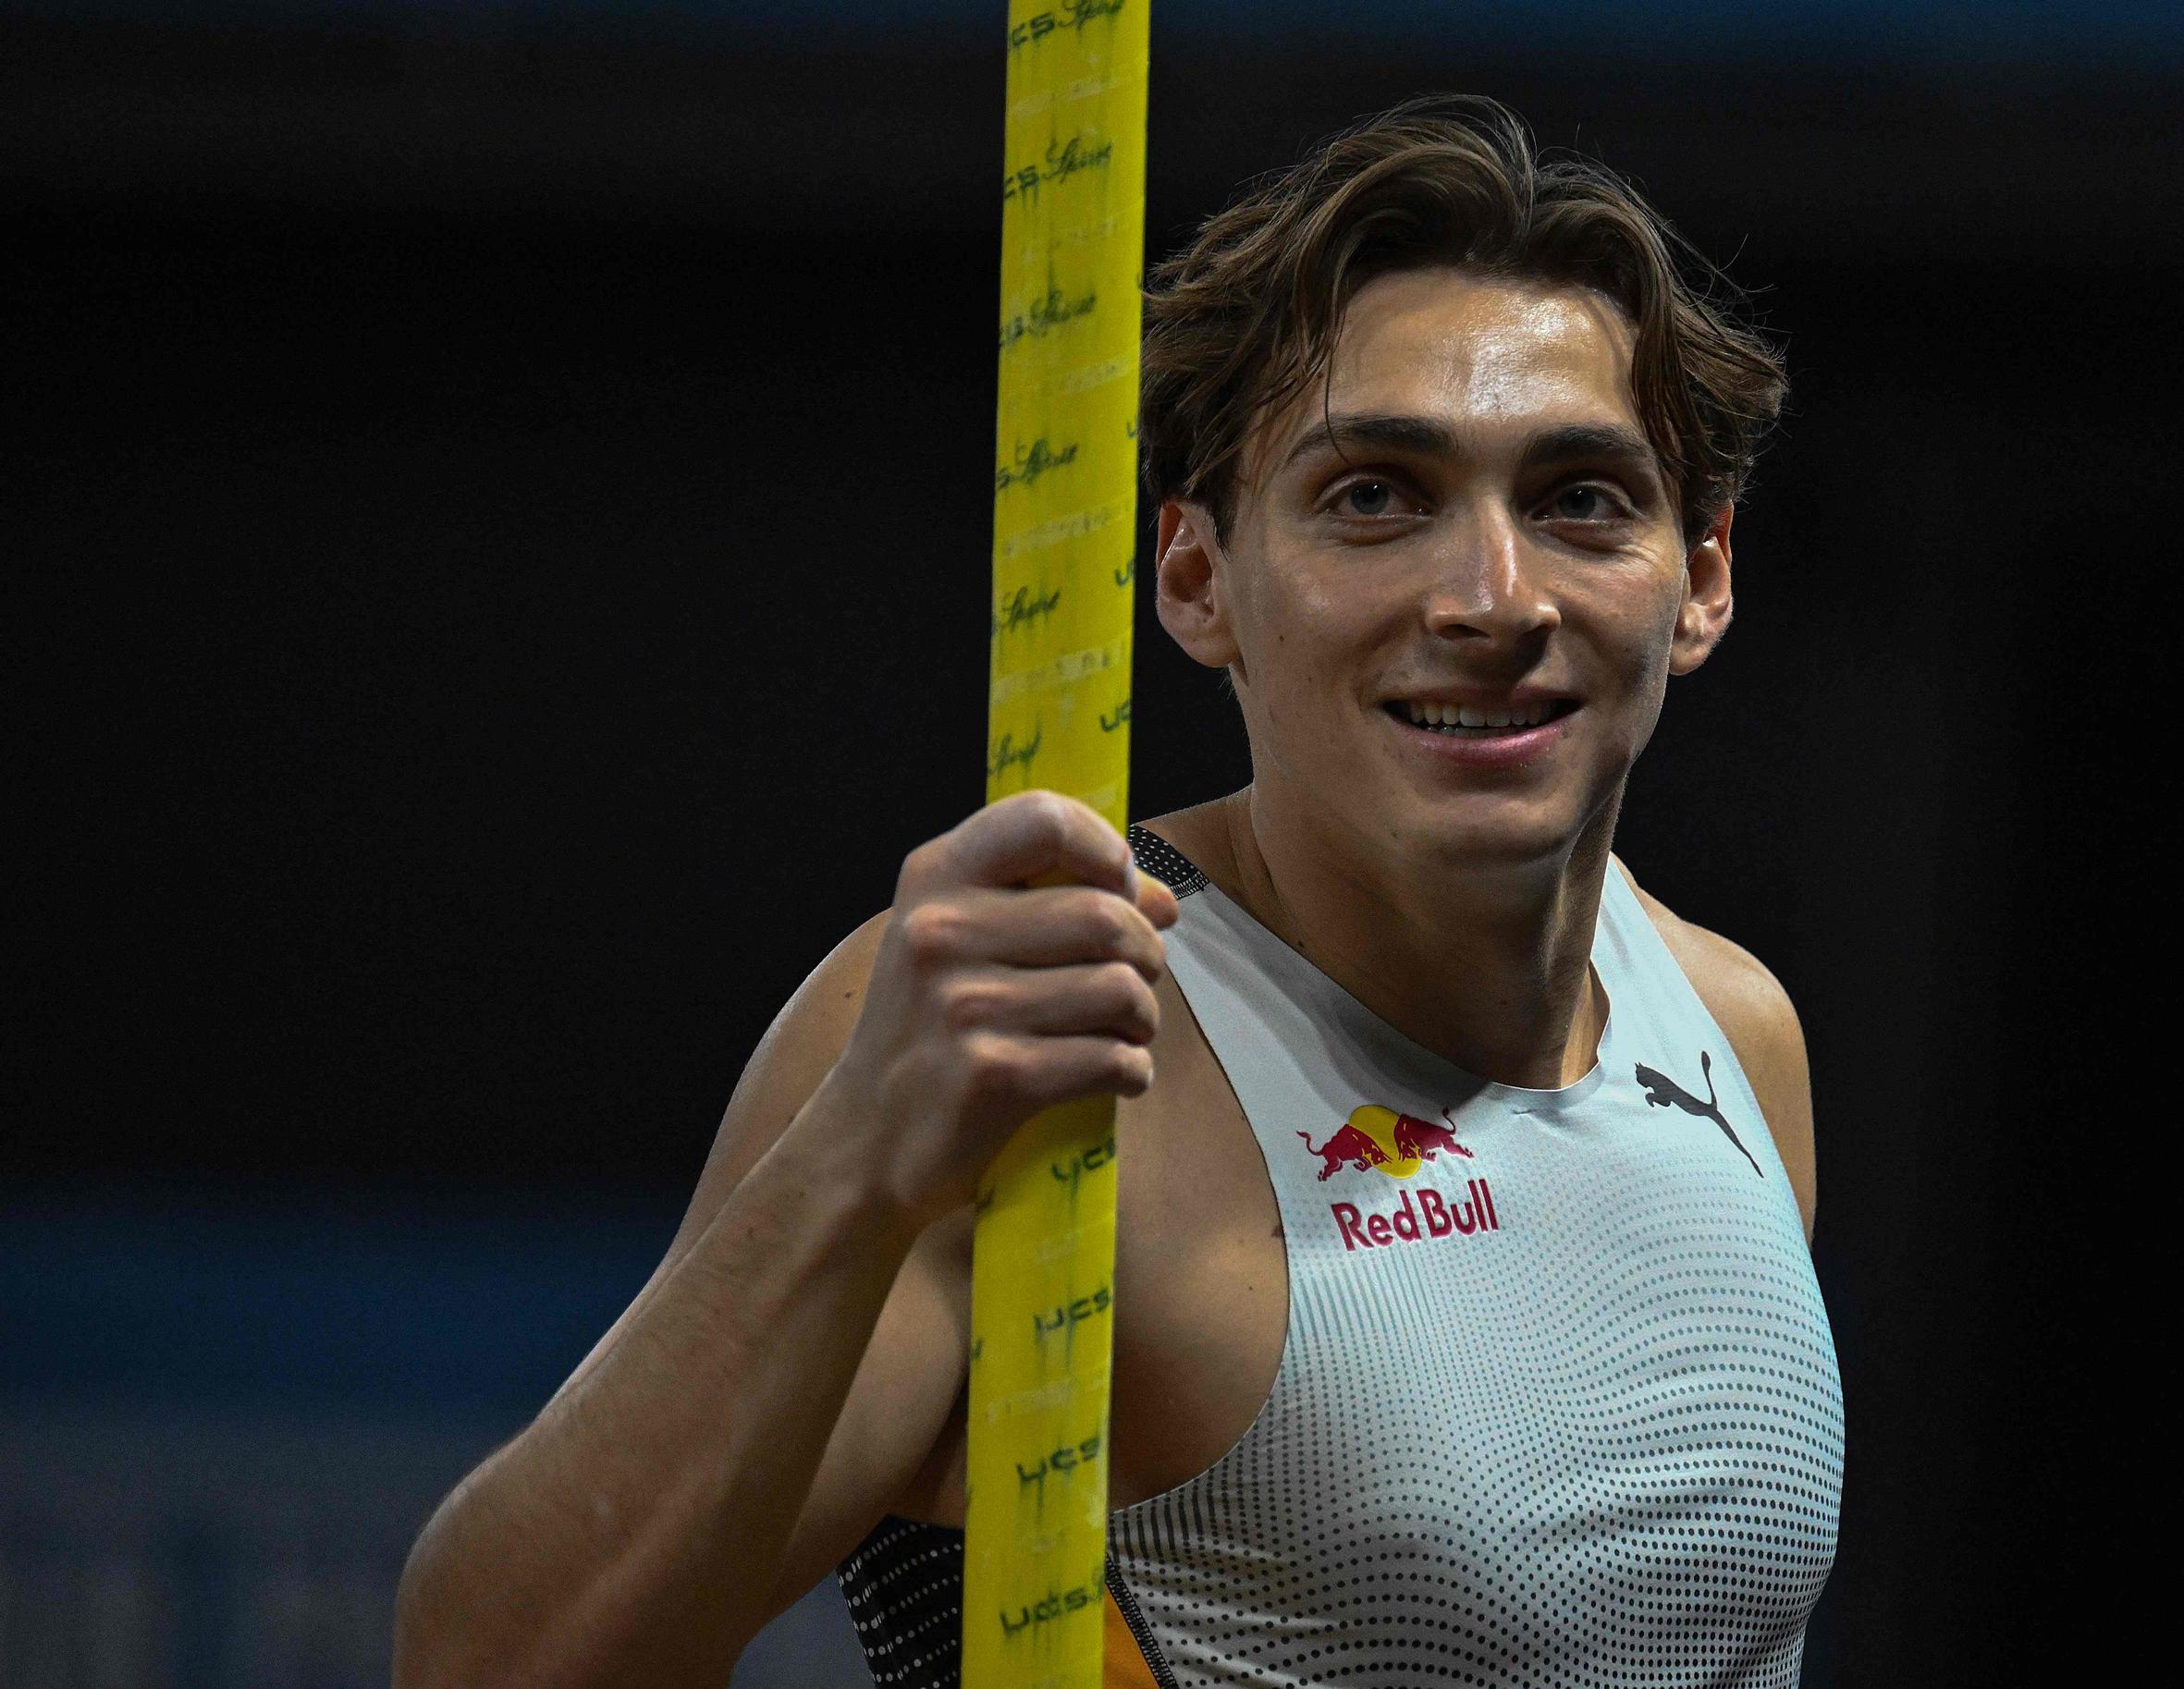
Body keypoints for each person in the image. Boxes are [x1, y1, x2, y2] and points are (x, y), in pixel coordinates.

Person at [394, 95, 1841, 1688]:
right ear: (1197, 579)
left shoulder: (1730, 1031)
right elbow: (486, 1668)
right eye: (1374, 496)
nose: (1491, 597)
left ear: (1699, 577)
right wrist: (862, 1156)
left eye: (1580, 498)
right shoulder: (1036, 1037)